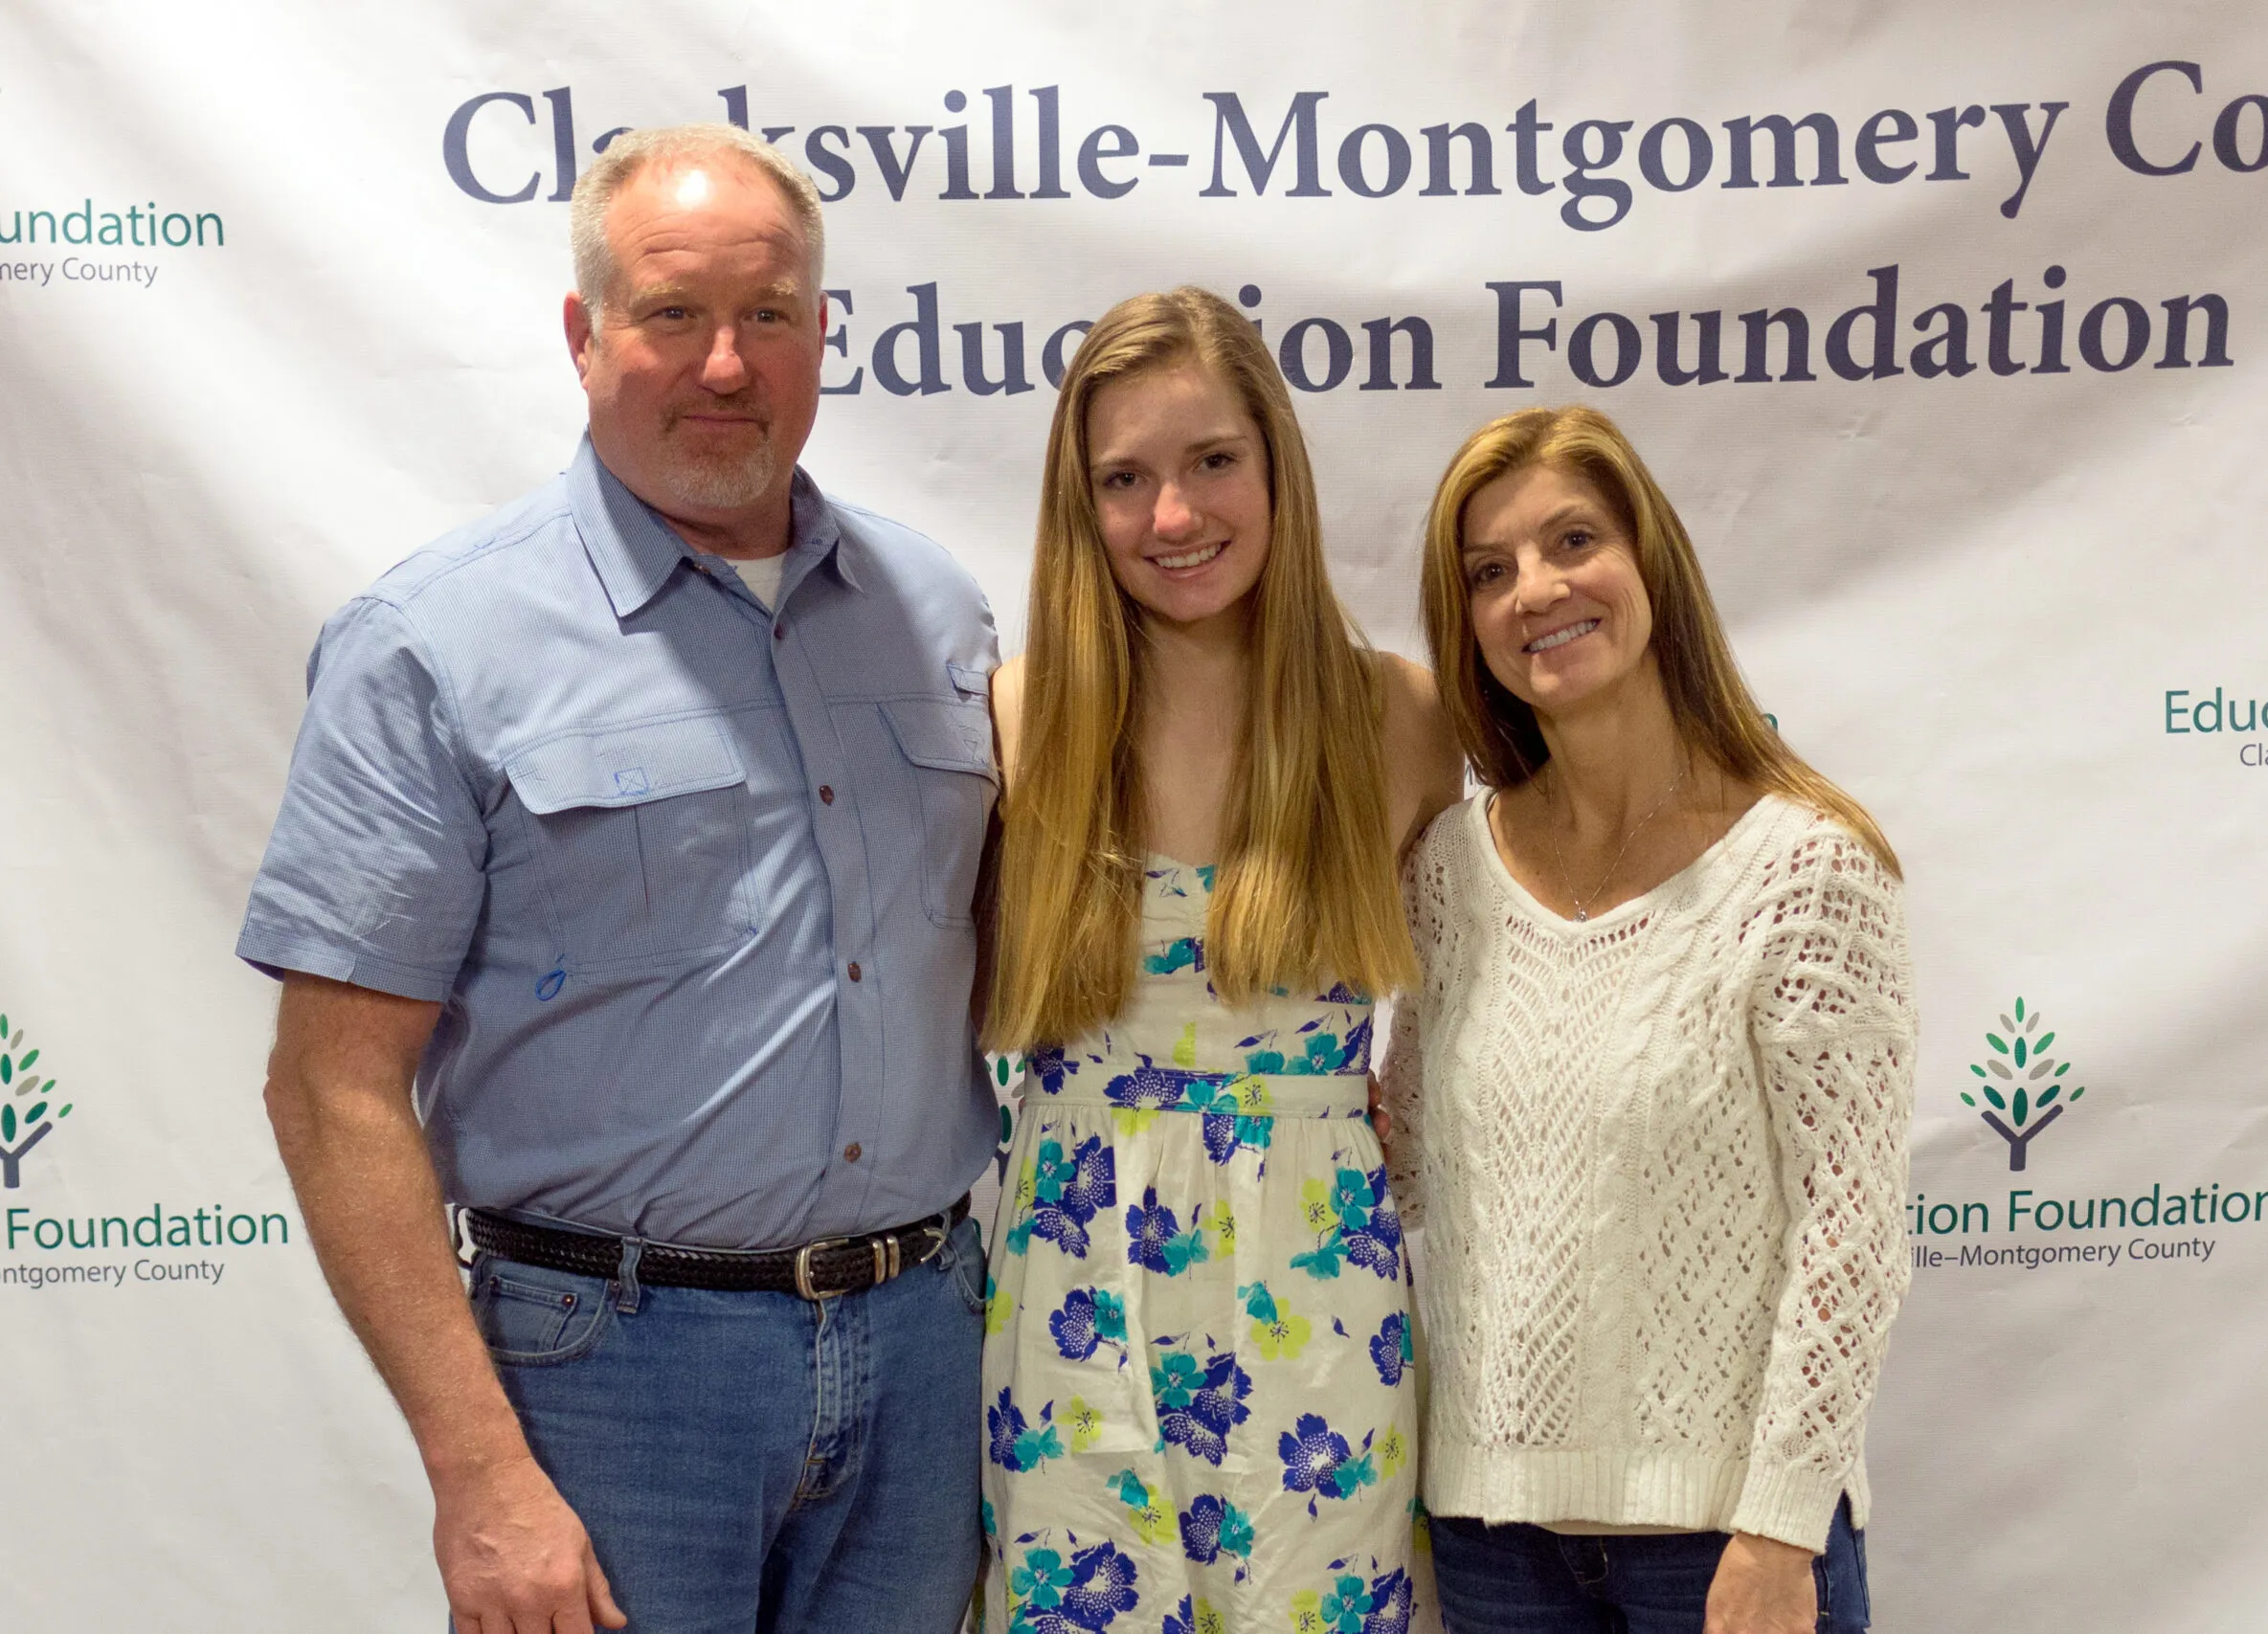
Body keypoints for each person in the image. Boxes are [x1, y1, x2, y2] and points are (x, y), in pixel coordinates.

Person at [238, 123, 998, 1634]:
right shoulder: (432, 641)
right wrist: (478, 1473)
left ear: (823, 332)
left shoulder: (936, 608)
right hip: (612, 1373)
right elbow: (331, 1086)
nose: (726, 362)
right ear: (584, 335)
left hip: (929, 1347)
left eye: (768, 313)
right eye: (673, 313)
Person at [1381, 406, 1917, 1634]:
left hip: (1727, 1545)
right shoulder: (1447, 872)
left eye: (1573, 541)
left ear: (1651, 564)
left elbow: (1849, 1234)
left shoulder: (1805, 869)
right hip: (1491, 1544)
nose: (1535, 589)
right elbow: (1406, 1166)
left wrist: (1780, 1528)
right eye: (1488, 572)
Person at [977, 287, 1459, 1634]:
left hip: (1318, 1280)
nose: (1173, 514)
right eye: (1123, 478)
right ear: (1080, 504)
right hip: (1073, 1278)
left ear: (1276, 465)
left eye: (1211, 461)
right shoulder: (1019, 716)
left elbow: (1486, 1002)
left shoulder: (1398, 716)